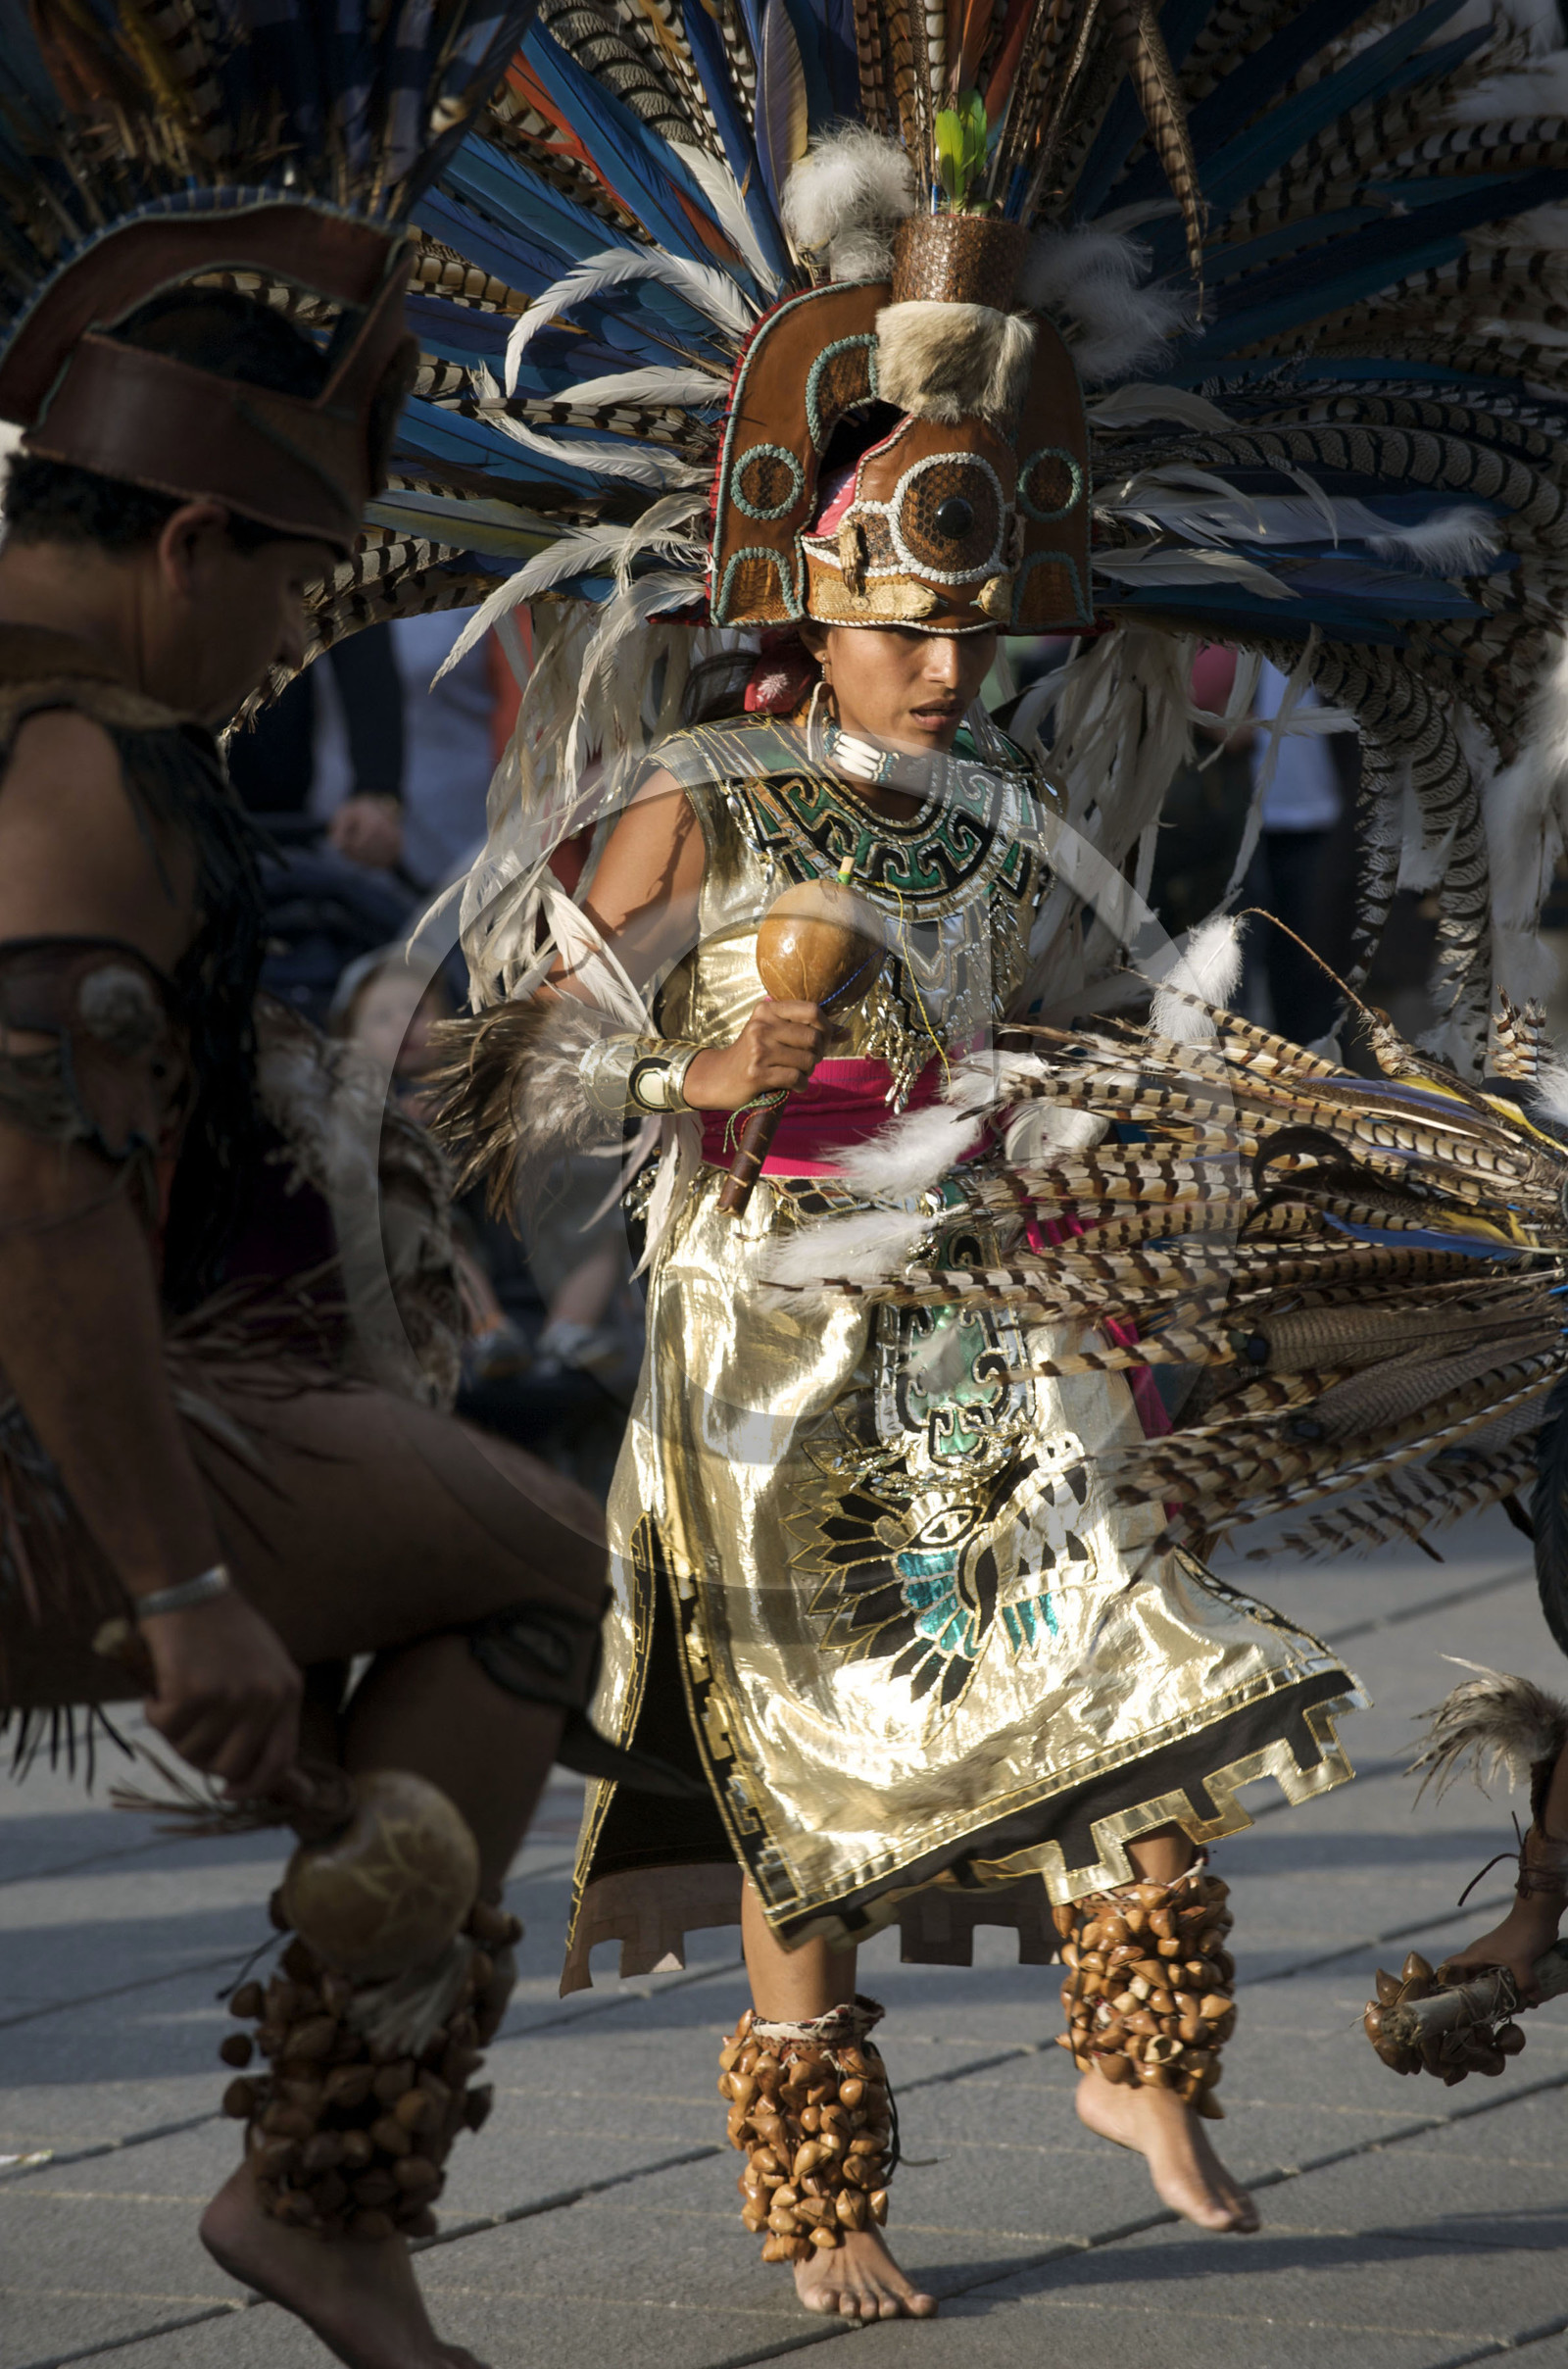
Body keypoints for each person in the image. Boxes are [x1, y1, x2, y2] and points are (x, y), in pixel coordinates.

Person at [434, 172, 1370, 2323]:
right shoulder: (710, 791)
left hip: (975, 1306)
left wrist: (1098, 1110)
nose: (948, 668)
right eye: (906, 627)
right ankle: (816, 2186)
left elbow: (1035, 1014)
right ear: (808, 607)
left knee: (1135, 1643)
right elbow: (538, 1066)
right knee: (798, 1759)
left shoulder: (989, 804)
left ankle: (1137, 2069)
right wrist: (707, 1074)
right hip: (762, 1340)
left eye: (972, 632)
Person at [0, 12, 633, 2368]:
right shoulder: (67, 767)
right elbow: (41, 1213)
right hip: (36, 1456)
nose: (292, 637)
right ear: (184, 539)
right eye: (283, 585)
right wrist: (181, 1587)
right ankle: (322, 2202)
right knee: (547, 1576)